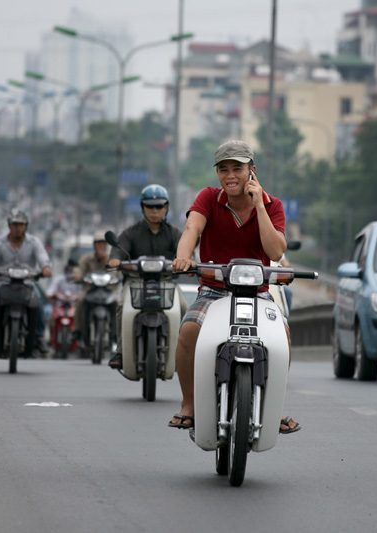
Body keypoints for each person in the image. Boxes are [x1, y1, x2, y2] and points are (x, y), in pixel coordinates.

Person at [170, 139, 300, 434]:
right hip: (213, 290)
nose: (230, 176)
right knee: (188, 330)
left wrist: (259, 206)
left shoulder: (273, 205)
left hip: (258, 293)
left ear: (252, 171)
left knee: (282, 336)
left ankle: (273, 406)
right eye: (223, 169)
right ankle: (189, 404)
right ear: (217, 173)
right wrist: (183, 257)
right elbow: (192, 228)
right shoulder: (208, 198)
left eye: (237, 169)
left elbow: (275, 251)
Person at [106, 184, 184, 369]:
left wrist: (188, 262)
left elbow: (185, 251)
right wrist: (115, 260)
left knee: (183, 306)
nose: (154, 210)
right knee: (121, 306)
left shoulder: (175, 233)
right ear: (142, 207)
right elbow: (118, 250)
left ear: (166, 207)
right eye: (150, 206)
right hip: (135, 282)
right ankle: (121, 352)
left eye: (159, 206)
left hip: (165, 282)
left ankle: (180, 353)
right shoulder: (130, 232)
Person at [0, 208, 53, 353]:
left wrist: (45, 268)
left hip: (28, 283)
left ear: (26, 226)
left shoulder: (34, 242)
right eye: (15, 224)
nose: (18, 228)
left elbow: (43, 259)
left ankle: (39, 337)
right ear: (9, 225)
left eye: (21, 224)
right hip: (4, 282)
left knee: (39, 302)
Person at [72, 231, 115, 352]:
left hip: (109, 290)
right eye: (98, 243)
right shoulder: (86, 258)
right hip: (90, 289)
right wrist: (78, 275)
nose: (101, 246)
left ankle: (117, 334)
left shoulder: (111, 258)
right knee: (80, 301)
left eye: (103, 243)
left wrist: (106, 261)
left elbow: (116, 271)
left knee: (118, 303)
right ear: (94, 245)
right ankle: (77, 331)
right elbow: (79, 269)